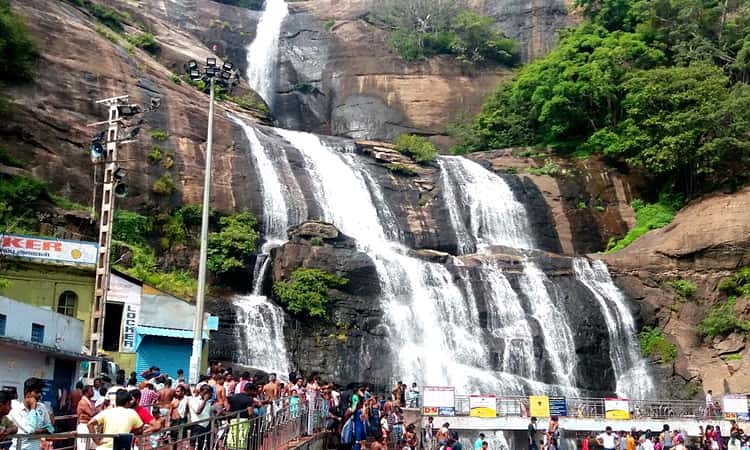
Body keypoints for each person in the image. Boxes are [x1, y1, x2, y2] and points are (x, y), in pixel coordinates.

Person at [9, 378, 53, 450]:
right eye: (37, 392)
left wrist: (41, 431)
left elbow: (51, 428)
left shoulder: (42, 407)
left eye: (40, 392)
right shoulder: (17, 410)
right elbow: (30, 431)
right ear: (28, 393)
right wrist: (33, 408)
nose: (39, 395)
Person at [189, 385, 213, 450]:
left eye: (209, 393)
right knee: (194, 444)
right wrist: (205, 400)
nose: (208, 395)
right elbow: (198, 411)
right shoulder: (193, 400)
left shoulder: (208, 403)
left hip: (206, 427)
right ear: (201, 392)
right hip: (197, 426)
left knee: (203, 446)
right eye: (206, 393)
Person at [76, 385, 95, 450]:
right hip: (84, 427)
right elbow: (91, 413)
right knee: (83, 447)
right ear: (86, 392)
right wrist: (98, 410)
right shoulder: (83, 402)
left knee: (91, 447)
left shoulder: (89, 402)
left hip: (90, 426)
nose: (93, 392)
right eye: (91, 390)